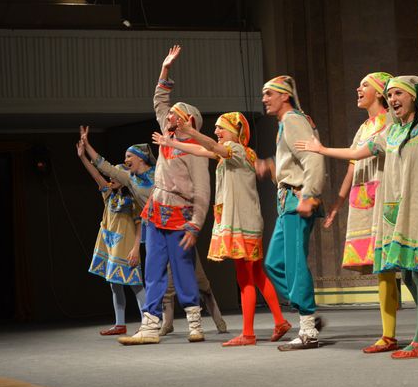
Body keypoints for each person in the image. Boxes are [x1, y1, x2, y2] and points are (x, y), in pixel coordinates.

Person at [297, 75, 418, 358]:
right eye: (390, 95)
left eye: (398, 94)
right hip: (395, 210)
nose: (393, 99)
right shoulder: (389, 133)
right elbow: (357, 153)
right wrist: (321, 149)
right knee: (408, 276)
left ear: (413, 97)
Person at [152, 111, 292, 346]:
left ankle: (248, 334)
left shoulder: (237, 150)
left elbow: (210, 146)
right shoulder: (236, 153)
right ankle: (279, 321)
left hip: (242, 223)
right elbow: (202, 150)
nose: (216, 131)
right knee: (256, 274)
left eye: (221, 128)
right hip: (246, 221)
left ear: (235, 132)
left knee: (245, 277)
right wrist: (171, 143)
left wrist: (191, 131)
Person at [80, 127, 227, 335]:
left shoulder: (160, 171)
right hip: (155, 229)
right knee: (162, 281)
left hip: (176, 225)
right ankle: (166, 324)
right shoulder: (130, 178)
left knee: (198, 278)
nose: (125, 160)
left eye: (129, 156)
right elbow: (106, 168)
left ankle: (217, 319)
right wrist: (87, 148)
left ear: (140, 158)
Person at [118, 45, 210, 345]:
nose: (168, 115)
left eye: (175, 114)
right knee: (153, 267)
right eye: (170, 113)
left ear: (187, 121)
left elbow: (202, 190)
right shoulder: (166, 135)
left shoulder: (194, 150)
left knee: (183, 268)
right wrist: (165, 68)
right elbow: (159, 100)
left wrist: (196, 224)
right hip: (157, 210)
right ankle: (150, 325)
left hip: (181, 213)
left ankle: (194, 322)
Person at [255, 76, 325, 351]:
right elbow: (293, 160)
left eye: (269, 93)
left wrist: (309, 195)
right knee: (274, 263)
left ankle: (308, 329)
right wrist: (272, 165)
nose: (264, 98)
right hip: (286, 201)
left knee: (295, 264)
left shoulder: (294, 120)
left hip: (298, 199)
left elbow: (313, 157)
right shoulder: (286, 123)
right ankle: (306, 311)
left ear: (284, 96)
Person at [76, 141, 145, 336]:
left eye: (115, 175)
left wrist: (136, 249)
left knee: (136, 285)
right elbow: (96, 175)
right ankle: (120, 323)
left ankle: (148, 322)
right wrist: (82, 157)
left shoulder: (133, 200)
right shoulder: (109, 195)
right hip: (110, 244)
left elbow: (139, 226)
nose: (111, 178)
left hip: (126, 246)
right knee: (115, 284)